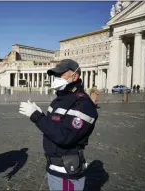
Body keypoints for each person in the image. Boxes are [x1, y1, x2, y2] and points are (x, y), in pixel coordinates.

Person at [19, 59, 98, 191]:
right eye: (55, 75)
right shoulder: (59, 100)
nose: (56, 78)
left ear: (75, 76)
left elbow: (65, 136)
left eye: (61, 74)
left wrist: (36, 116)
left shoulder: (83, 103)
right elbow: (52, 127)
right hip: (54, 168)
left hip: (68, 173)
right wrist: (41, 115)